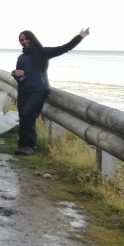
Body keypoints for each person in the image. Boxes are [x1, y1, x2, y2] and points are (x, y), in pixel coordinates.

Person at [12, 27, 90, 155]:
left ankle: (30, 146)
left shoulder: (43, 52)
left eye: (26, 38)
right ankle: (22, 145)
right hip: (24, 90)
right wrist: (14, 73)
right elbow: (21, 76)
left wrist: (79, 36)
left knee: (28, 115)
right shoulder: (21, 57)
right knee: (23, 116)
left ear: (32, 39)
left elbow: (65, 48)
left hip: (38, 90)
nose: (24, 41)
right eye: (21, 40)